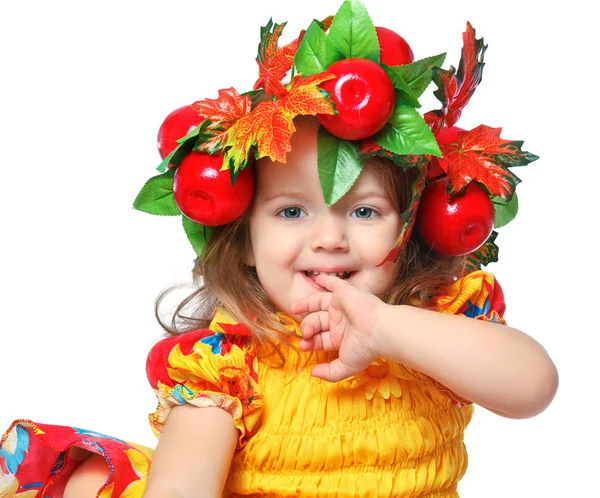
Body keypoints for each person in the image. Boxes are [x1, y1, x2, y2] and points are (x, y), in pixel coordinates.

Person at [0, 1, 558, 497]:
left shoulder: (437, 323)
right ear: (244, 239)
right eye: (292, 211)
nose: (330, 238)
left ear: (408, 231)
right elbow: (182, 486)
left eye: (365, 212)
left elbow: (532, 387)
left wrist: (386, 329)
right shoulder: (230, 363)